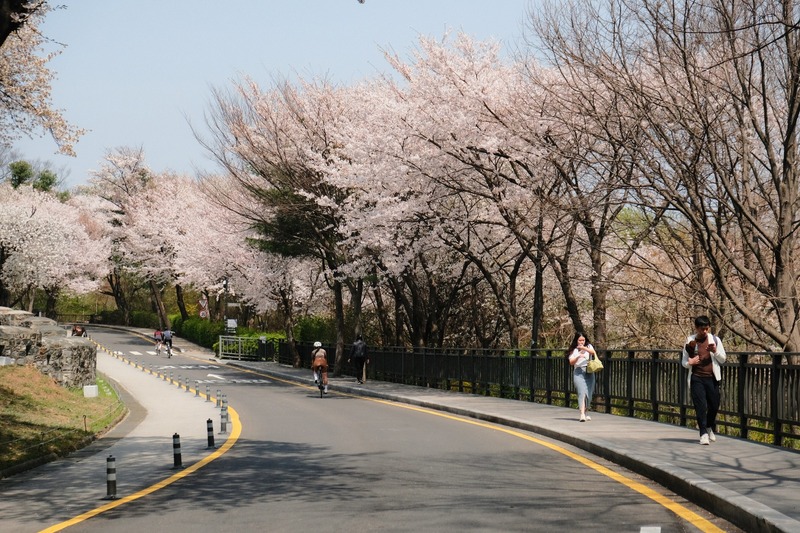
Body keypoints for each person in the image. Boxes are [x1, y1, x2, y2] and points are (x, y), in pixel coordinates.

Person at [681, 315, 727, 445]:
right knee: (700, 406)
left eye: (707, 328)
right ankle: (703, 433)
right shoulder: (690, 341)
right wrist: (690, 362)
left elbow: (723, 359)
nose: (705, 331)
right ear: (696, 328)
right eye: (702, 329)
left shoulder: (715, 340)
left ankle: (708, 426)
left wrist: (715, 351)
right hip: (697, 378)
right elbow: (684, 362)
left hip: (712, 378)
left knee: (714, 405)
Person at [567, 332, 597, 422]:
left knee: (589, 394)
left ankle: (585, 412)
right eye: (580, 340)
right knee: (582, 393)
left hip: (589, 372)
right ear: (576, 340)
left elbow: (593, 352)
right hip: (579, 372)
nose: (581, 342)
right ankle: (582, 414)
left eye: (583, 340)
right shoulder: (574, 350)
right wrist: (578, 356)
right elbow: (571, 362)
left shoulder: (588, 346)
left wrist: (584, 349)